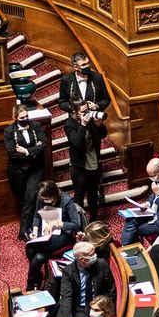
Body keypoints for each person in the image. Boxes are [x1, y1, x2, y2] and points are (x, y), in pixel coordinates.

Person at [59, 52, 111, 213]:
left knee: (95, 156)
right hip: (77, 123)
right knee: (81, 154)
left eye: (88, 63)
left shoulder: (97, 78)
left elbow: (106, 99)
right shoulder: (66, 80)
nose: (87, 66)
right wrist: (76, 110)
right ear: (75, 66)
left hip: (93, 124)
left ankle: (97, 186)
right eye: (83, 64)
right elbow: (61, 102)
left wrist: (96, 107)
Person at [25, 181, 85, 290]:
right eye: (43, 199)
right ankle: (36, 276)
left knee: (31, 248)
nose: (44, 201)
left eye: (47, 199)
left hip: (62, 233)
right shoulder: (41, 198)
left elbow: (76, 224)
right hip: (45, 230)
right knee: (37, 255)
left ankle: (31, 283)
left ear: (54, 195)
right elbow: (37, 216)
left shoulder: (67, 201)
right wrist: (35, 230)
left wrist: (57, 224)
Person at [4, 104, 47, 240]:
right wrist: (35, 150)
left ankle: (23, 232)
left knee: (30, 196)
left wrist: (27, 151)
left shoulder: (36, 126)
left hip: (35, 168)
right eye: (22, 117)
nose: (26, 118)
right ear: (15, 118)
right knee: (23, 199)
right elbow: (12, 154)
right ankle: (32, 225)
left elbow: (44, 144)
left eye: (27, 116)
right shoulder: (9, 131)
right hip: (17, 171)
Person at [55, 241, 114, 317]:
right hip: (74, 305)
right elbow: (66, 296)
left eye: (94, 253)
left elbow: (111, 290)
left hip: (90, 307)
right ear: (82, 259)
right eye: (91, 255)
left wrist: (110, 313)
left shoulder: (101, 264)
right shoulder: (68, 271)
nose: (95, 256)